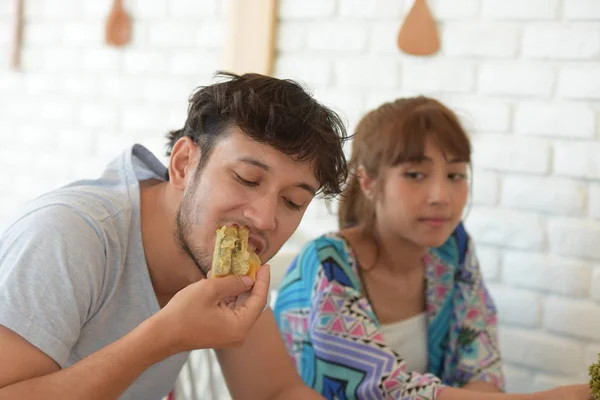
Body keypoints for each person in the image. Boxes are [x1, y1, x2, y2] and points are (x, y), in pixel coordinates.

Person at [0, 72, 350, 399]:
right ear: (183, 164)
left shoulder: (224, 263)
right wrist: (163, 336)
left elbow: (276, 392)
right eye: (246, 178)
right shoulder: (67, 235)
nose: (264, 218)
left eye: (293, 201)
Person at [273, 96, 591, 400]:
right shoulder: (328, 263)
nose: (441, 195)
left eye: (455, 175)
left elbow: (478, 362)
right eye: (415, 174)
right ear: (369, 182)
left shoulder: (452, 249)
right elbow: (385, 390)